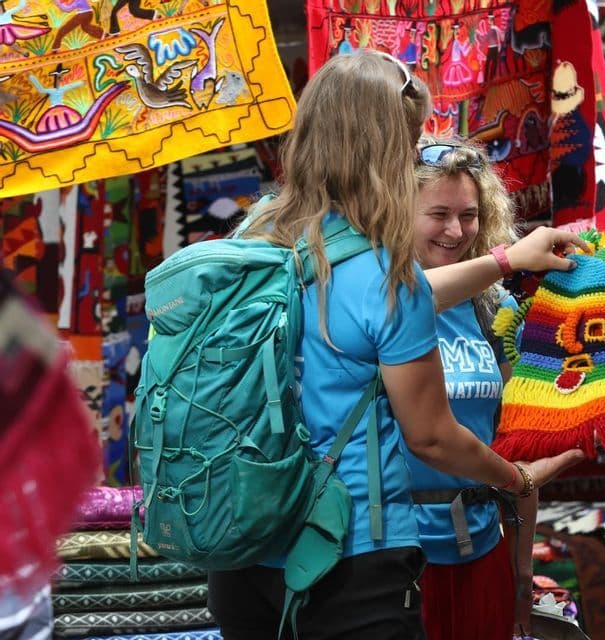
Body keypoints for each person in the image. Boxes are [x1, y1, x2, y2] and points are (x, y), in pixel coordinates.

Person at [205, 49, 585, 640]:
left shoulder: (254, 239)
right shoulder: (386, 278)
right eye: (407, 143)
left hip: (246, 543)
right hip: (350, 553)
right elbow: (431, 436)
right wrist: (515, 479)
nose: (411, 157)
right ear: (382, 151)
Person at [404, 135, 565, 640]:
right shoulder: (378, 296)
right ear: (397, 211)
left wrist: (520, 567)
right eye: (438, 213)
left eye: (469, 215)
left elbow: (512, 448)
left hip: (482, 546)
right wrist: (510, 259)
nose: (456, 230)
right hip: (399, 555)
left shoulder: (491, 308)